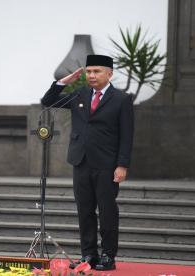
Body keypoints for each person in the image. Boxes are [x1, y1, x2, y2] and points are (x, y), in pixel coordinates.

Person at [41, 54, 134, 271]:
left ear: (109, 74)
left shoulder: (121, 99)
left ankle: (108, 256)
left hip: (107, 164)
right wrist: (64, 82)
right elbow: (48, 101)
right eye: (89, 71)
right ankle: (89, 255)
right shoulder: (79, 94)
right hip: (80, 161)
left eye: (97, 71)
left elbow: (127, 135)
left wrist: (122, 165)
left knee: (107, 211)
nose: (91, 75)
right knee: (84, 211)